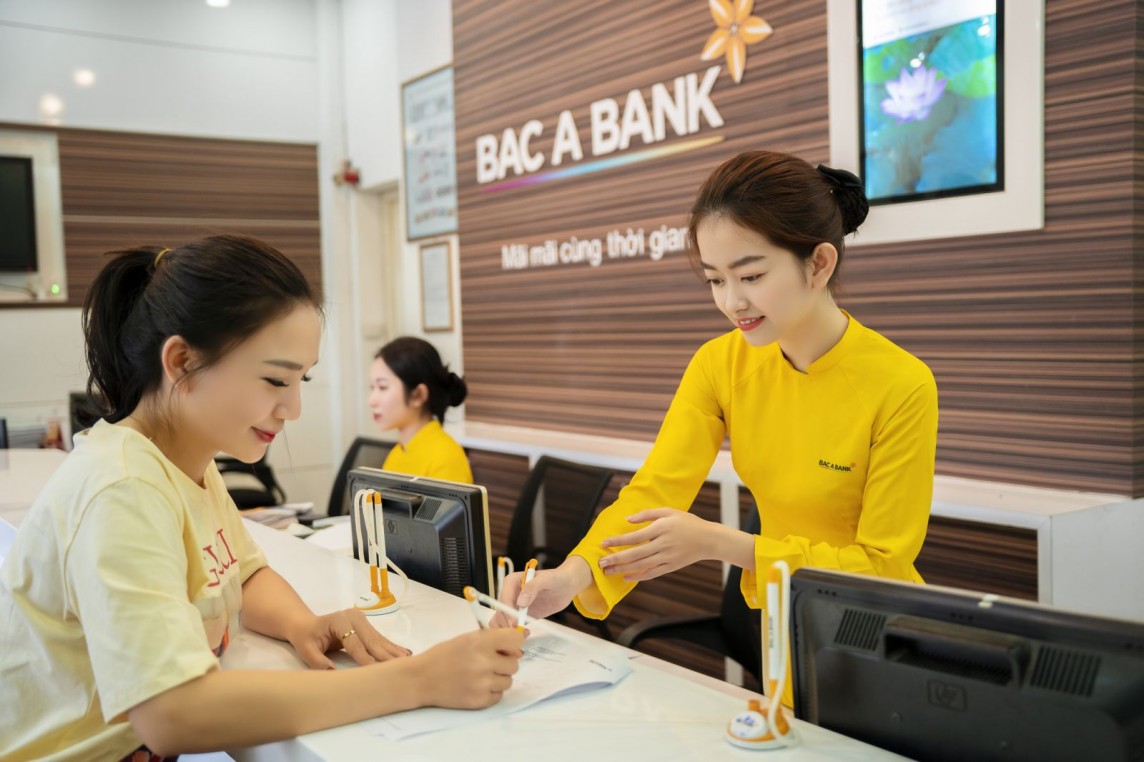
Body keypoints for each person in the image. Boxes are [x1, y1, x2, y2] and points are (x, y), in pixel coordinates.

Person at [0, 235, 523, 761]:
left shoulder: (187, 463)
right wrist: (419, 680)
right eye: (275, 379)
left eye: (302, 380)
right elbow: (172, 712)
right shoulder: (122, 489)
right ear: (181, 361)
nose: (293, 408)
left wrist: (304, 624)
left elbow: (243, 574)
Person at [497, 150, 938, 682]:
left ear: (819, 264)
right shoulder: (719, 364)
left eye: (750, 275)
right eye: (715, 280)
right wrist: (574, 574)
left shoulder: (901, 383)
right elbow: (655, 490)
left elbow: (883, 565)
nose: (733, 302)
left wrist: (718, 543)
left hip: (878, 636)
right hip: (786, 624)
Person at [369, 336, 473, 483]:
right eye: (372, 388)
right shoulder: (397, 453)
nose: (372, 401)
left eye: (382, 387)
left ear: (418, 395)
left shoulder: (445, 458)